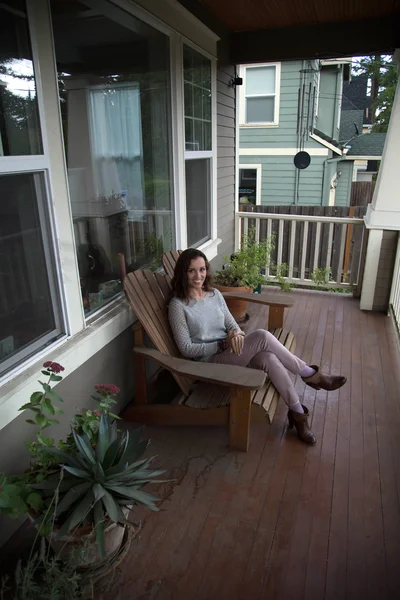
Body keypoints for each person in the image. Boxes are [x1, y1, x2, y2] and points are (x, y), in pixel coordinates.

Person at [168, 248, 347, 445]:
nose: (198, 276)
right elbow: (186, 348)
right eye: (191, 271)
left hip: (232, 351)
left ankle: (297, 414)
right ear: (183, 273)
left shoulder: (214, 294)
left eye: (202, 269)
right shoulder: (178, 306)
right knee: (262, 336)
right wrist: (220, 344)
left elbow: (232, 324)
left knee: (268, 358)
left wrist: (236, 334)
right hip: (209, 363)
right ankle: (310, 374)